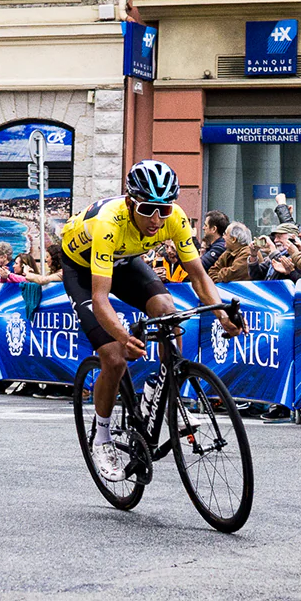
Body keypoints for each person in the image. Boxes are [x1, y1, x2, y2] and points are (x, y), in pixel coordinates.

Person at [60, 160, 241, 481]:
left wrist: (221, 313)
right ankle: (101, 438)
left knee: (167, 309)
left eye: (164, 209)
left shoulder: (176, 219)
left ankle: (162, 389)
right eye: (147, 209)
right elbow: (100, 299)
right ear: (130, 202)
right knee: (114, 357)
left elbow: (199, 276)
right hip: (83, 268)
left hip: (125, 260)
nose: (157, 219)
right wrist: (123, 336)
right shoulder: (108, 223)